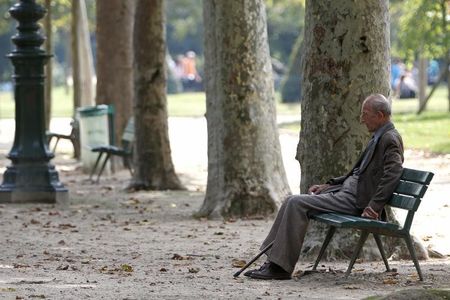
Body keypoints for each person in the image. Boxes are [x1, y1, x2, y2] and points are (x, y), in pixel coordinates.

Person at [245, 93, 404, 280]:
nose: (361, 119)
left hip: (355, 201)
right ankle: (273, 262)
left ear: (380, 115)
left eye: (365, 114)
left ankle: (279, 267)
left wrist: (374, 206)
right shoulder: (379, 136)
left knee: (296, 203)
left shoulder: (389, 139)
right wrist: (328, 185)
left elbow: (393, 174)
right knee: (291, 200)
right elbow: (357, 173)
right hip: (346, 193)